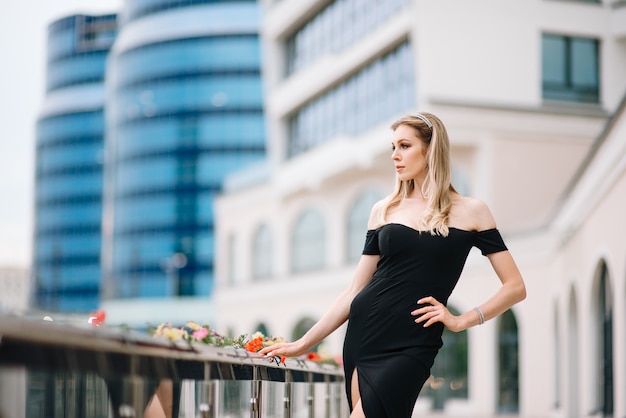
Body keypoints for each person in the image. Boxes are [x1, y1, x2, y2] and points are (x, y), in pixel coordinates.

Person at [258, 112, 527, 418]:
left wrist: (462, 320)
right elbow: (354, 290)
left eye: (404, 145)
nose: (395, 156)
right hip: (365, 333)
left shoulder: (472, 211)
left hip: (415, 343)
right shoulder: (384, 210)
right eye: (392, 147)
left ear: (430, 149)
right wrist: (302, 343)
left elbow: (515, 287)